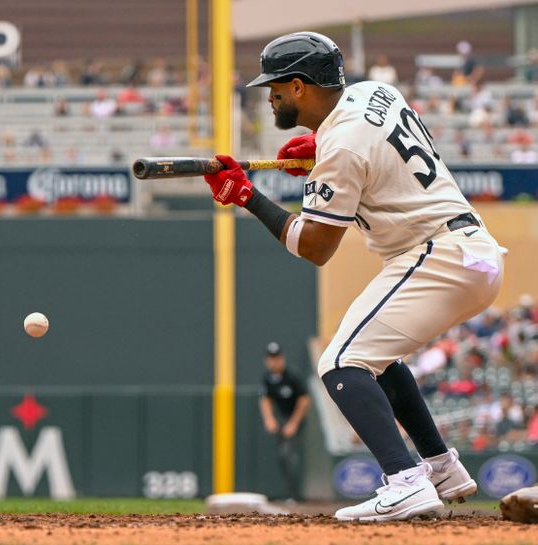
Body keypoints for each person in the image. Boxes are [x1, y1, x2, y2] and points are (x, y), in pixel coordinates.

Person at [203, 31, 505, 521]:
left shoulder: (341, 146)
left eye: (276, 87)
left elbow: (315, 248)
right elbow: (364, 148)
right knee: (375, 359)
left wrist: (246, 197)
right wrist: (320, 147)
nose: (271, 96)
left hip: (440, 255)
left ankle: (404, 481)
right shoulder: (371, 93)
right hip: (472, 252)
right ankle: (439, 466)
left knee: (341, 363)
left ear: (300, 87)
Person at [258, 342, 311, 501]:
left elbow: (304, 400)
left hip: (295, 418)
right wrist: (269, 419)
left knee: (289, 453)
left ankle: (295, 495)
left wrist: (293, 423)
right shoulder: (267, 377)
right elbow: (265, 399)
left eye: (277, 358)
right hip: (281, 417)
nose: (274, 362)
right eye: (271, 358)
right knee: (283, 456)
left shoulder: (292, 375)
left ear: (282, 358)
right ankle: (288, 492)